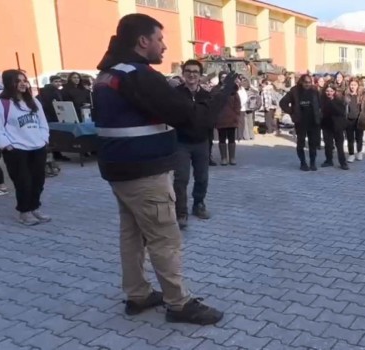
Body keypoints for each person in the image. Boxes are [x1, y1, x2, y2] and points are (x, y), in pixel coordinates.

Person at [92, 13, 237, 325]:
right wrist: (224, 91)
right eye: (160, 39)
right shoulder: (138, 75)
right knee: (164, 238)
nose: (165, 46)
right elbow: (195, 120)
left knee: (132, 234)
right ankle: (178, 303)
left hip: (120, 171)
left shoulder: (108, 73)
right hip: (144, 172)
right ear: (143, 41)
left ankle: (138, 293)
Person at [0, 69, 50, 225]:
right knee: (23, 182)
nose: (23, 84)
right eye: (18, 81)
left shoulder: (33, 102)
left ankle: (35, 207)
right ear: (9, 83)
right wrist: (7, 146)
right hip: (17, 150)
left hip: (37, 147)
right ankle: (24, 211)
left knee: (38, 181)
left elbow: (43, 123)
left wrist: (44, 139)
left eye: (24, 80)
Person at [172, 60, 214, 229]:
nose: (192, 74)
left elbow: (211, 117)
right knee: (181, 179)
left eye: (195, 71)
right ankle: (181, 212)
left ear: (200, 75)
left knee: (202, 177)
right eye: (188, 71)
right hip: (181, 143)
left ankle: (199, 204)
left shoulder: (206, 95)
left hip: (202, 142)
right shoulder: (175, 94)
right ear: (183, 74)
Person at [279, 74, 322, 171]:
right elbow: (282, 103)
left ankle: (312, 163)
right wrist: (292, 112)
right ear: (301, 82)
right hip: (300, 121)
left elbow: (321, 103)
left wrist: (320, 115)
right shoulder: (294, 91)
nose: (307, 84)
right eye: (305, 82)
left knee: (313, 143)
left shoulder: (315, 91)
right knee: (301, 143)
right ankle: (303, 163)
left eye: (309, 82)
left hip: (313, 121)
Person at [214, 72, 241, 166]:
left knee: (231, 138)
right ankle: (224, 158)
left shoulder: (233, 90)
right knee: (222, 139)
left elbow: (238, 105)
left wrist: (236, 115)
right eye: (222, 77)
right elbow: (212, 101)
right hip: (220, 118)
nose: (224, 79)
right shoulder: (216, 89)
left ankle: (232, 158)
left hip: (231, 118)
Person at [321, 84, 348, 170]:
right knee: (328, 145)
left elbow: (341, 112)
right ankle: (329, 160)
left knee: (339, 145)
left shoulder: (339, 100)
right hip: (326, 125)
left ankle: (343, 162)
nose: (329, 93)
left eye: (331, 91)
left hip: (337, 126)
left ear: (334, 92)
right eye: (327, 91)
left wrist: (332, 102)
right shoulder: (322, 100)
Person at [344, 78, 365, 163]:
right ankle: (351, 154)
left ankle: (359, 152)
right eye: (351, 85)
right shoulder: (346, 95)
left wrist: (364, 118)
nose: (352, 87)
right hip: (349, 119)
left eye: (354, 85)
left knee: (359, 137)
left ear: (358, 86)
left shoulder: (363, 96)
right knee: (350, 138)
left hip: (359, 119)